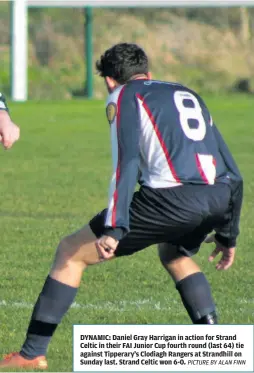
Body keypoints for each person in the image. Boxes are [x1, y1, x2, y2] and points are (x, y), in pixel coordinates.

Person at [0, 43, 243, 370]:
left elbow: (126, 165)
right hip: (216, 196)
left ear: (110, 82)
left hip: (169, 200)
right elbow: (234, 174)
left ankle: (31, 354)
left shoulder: (123, 96)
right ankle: (215, 347)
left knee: (70, 252)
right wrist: (229, 234)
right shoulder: (187, 93)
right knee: (174, 253)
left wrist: (116, 228)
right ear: (148, 73)